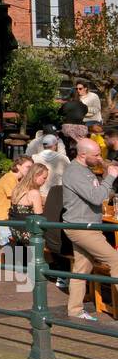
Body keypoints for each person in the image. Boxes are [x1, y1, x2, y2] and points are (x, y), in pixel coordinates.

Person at [61, 137, 118, 321]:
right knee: (115, 260)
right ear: (83, 154)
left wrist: (106, 180)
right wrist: (110, 177)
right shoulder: (74, 172)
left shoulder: (86, 170)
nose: (99, 157)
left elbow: (101, 193)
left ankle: (75, 310)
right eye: (95, 155)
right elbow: (95, 197)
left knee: (81, 269)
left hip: (88, 225)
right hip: (82, 227)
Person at [0, 156, 34, 245]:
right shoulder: (9, 178)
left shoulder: (15, 179)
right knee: (20, 233)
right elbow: (17, 199)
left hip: (5, 216)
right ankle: (4, 253)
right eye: (28, 167)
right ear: (18, 166)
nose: (30, 170)